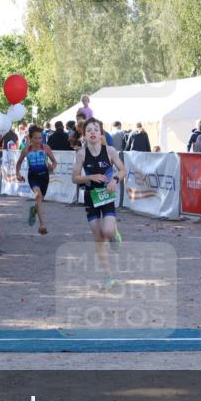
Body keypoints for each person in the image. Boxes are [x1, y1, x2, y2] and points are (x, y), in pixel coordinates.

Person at [72, 118, 127, 288]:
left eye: (96, 130)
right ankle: (108, 275)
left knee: (107, 231)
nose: (93, 133)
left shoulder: (109, 151)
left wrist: (115, 180)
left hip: (107, 195)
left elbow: (123, 170)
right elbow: (75, 178)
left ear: (101, 133)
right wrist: (90, 177)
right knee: (98, 238)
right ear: (84, 134)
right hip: (91, 197)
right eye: (89, 130)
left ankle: (114, 233)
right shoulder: (81, 154)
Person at [16, 125, 57, 235]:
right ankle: (42, 225)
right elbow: (19, 163)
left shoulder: (46, 148)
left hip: (44, 177)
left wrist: (52, 167)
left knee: (40, 200)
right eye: (35, 138)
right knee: (38, 196)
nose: (38, 140)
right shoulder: (26, 150)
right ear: (30, 138)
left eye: (40, 138)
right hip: (33, 177)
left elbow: (54, 161)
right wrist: (17, 173)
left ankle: (34, 210)